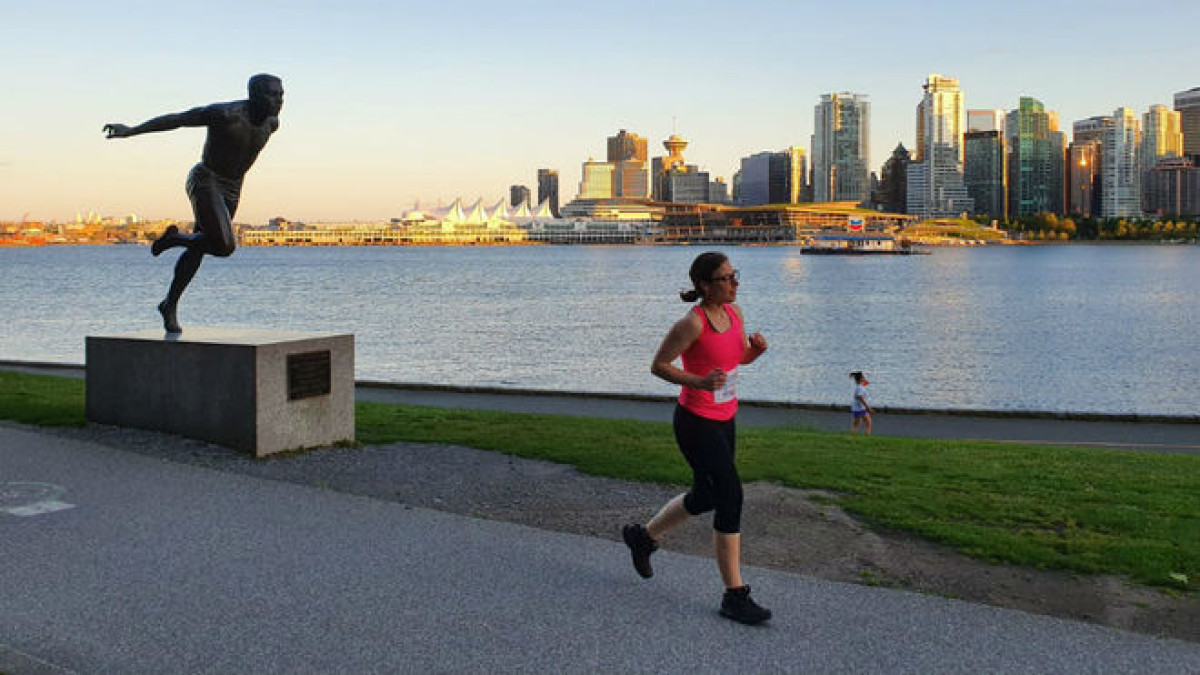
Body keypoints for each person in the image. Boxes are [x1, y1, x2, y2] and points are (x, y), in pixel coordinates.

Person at [622, 251, 772, 625]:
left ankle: (644, 537)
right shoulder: (692, 323)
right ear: (705, 285)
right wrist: (698, 382)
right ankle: (734, 596)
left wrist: (756, 352)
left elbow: (734, 360)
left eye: (736, 275)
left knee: (708, 495)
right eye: (727, 278)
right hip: (694, 421)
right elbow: (659, 366)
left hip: (725, 417)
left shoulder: (735, 314)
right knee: (731, 496)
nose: (735, 283)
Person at [104, 74, 284, 334]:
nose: (278, 101)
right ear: (253, 95)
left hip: (233, 189)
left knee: (199, 248)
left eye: (281, 95)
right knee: (224, 246)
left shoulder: (272, 124)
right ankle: (174, 239)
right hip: (206, 180)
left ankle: (169, 304)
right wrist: (131, 131)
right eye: (271, 95)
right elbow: (177, 120)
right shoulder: (225, 114)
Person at [850, 371, 872, 435]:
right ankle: (867, 436)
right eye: (863, 377)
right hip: (860, 408)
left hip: (856, 408)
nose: (864, 378)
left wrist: (863, 379)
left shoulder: (859, 386)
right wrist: (868, 407)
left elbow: (867, 383)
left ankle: (853, 436)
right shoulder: (860, 388)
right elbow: (861, 398)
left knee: (856, 424)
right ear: (860, 379)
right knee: (868, 423)